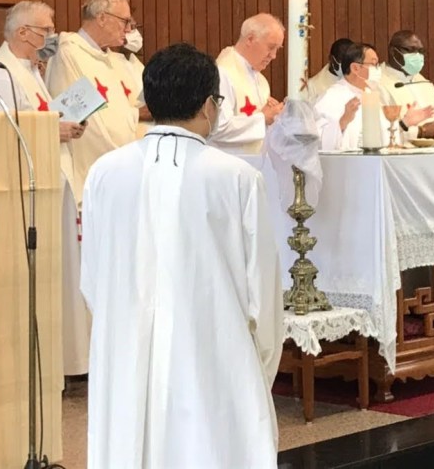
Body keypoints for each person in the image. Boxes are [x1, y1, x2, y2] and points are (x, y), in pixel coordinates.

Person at [81, 43, 283, 469]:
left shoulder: (104, 171)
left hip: (124, 346)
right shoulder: (238, 177)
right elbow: (262, 290)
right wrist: (257, 367)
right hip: (212, 349)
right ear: (209, 105)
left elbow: (93, 280)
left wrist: (126, 331)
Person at [0, 0, 90, 376]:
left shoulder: (28, 69)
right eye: (47, 29)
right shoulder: (1, 75)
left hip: (50, 179)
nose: (53, 35)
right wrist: (53, 130)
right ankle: (37, 365)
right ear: (24, 33)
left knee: (56, 274)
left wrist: (66, 123)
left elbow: (35, 117)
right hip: (26, 189)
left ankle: (57, 360)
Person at [44, 0, 139, 198]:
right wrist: (118, 154)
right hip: (93, 171)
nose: (128, 29)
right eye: (124, 21)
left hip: (120, 168)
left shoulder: (111, 58)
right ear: (102, 18)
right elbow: (79, 118)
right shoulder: (69, 52)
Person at [315, 42, 433, 150]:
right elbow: (316, 141)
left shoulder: (371, 96)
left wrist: (405, 122)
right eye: (373, 64)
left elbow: (382, 138)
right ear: (355, 68)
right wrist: (343, 121)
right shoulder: (331, 97)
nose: (378, 70)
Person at [211, 13, 286, 154]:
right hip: (230, 162)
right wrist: (263, 119)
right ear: (250, 39)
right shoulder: (223, 72)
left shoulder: (260, 80)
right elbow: (218, 128)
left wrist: (276, 116)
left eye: (277, 49)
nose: (274, 55)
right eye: (271, 47)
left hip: (257, 162)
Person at [378, 29, 434, 143]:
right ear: (393, 52)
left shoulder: (423, 82)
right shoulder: (378, 82)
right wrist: (420, 132)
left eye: (420, 51)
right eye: (411, 50)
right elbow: (380, 129)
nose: (417, 55)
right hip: (401, 152)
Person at [306, 37, 354, 102]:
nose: (346, 64)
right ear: (331, 59)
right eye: (342, 60)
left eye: (349, 60)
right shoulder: (312, 86)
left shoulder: (360, 80)